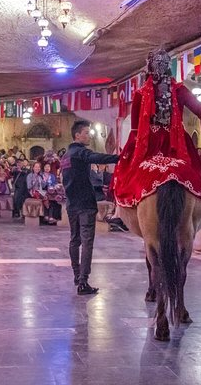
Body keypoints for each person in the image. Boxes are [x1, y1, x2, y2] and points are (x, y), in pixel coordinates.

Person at [113, 49, 201, 211]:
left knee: (126, 178)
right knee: (198, 178)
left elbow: (135, 130)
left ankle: (119, 212)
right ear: (170, 67)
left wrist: (127, 156)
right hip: (177, 144)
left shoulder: (140, 94)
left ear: (149, 68)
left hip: (149, 145)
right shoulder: (180, 90)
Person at [61, 120, 119, 295]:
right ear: (77, 135)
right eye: (86, 132)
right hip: (85, 203)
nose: (89, 135)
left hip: (71, 204)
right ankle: (83, 282)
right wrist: (120, 157)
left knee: (74, 240)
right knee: (87, 243)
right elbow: (96, 157)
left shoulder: (65, 156)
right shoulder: (79, 152)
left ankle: (77, 275)